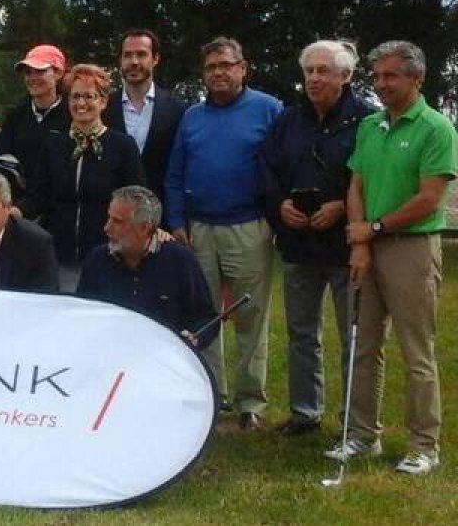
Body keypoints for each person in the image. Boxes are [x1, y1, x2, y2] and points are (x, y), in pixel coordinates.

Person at [328, 40, 457, 475]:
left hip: (412, 250)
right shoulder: (370, 126)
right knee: (364, 346)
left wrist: (376, 229)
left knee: (416, 351)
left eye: (391, 76)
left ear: (416, 79)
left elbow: (430, 198)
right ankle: (363, 435)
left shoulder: (437, 128)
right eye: (376, 76)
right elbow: (357, 185)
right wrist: (361, 242)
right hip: (370, 248)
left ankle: (425, 445)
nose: (381, 84)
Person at [165, 36, 283, 430]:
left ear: (243, 68)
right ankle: (212, 394)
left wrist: (276, 221)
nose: (218, 73)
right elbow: (176, 172)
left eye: (226, 65)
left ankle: (251, 402)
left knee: (251, 316)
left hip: (249, 227)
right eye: (211, 67)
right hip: (198, 228)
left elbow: (282, 169)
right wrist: (177, 221)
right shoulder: (192, 117)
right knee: (203, 316)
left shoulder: (268, 109)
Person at [261, 40, 374, 436]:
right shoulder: (288, 121)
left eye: (323, 70)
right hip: (299, 244)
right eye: (309, 71)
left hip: (346, 247)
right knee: (302, 334)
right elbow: (267, 169)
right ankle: (305, 413)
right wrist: (280, 205)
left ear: (346, 76)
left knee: (352, 337)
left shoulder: (367, 121)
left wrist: (343, 206)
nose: (313, 78)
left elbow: (376, 178)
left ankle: (352, 418)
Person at [19, 64, 144, 293]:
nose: (81, 103)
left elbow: (137, 200)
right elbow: (37, 196)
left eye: (89, 96)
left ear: (103, 102)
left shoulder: (123, 146)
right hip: (60, 256)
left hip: (108, 255)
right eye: (75, 96)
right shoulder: (54, 145)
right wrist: (13, 212)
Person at [77, 185, 217, 349]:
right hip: (109, 355)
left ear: (144, 228)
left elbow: (207, 319)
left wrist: (194, 337)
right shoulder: (98, 259)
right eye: (109, 218)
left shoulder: (180, 260)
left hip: (162, 359)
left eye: (117, 221)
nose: (106, 228)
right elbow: (81, 314)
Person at [105, 30, 186, 212]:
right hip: (111, 217)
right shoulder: (103, 109)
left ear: (155, 59)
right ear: (120, 60)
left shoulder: (178, 111)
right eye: (127, 55)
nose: (134, 62)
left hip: (161, 219)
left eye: (141, 54)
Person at [0, 44, 70, 200]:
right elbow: (1, 160)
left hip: (61, 207)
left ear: (58, 72)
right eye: (28, 72)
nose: (32, 77)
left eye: (40, 71)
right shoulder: (15, 116)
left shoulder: (72, 114)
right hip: (20, 207)